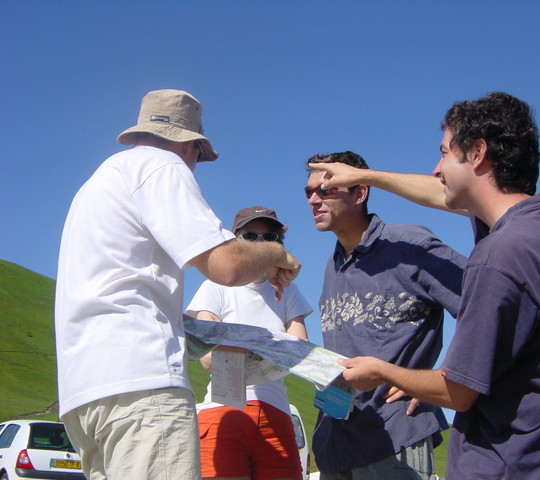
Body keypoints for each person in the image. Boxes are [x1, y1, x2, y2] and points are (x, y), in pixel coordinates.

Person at [315, 92, 540, 479]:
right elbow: (447, 194)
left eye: (443, 153)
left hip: (513, 464)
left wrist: (388, 372)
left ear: (477, 153)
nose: (436, 169)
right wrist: (365, 176)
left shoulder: (497, 259)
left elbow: (458, 391)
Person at [54, 89, 301, 480]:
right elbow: (228, 266)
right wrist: (276, 254)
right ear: (190, 147)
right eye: (199, 158)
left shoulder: (99, 181)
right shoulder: (162, 167)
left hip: (84, 393)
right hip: (143, 385)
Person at [305, 151, 467, 480]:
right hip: (336, 444)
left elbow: (487, 305)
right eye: (308, 192)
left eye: (324, 190)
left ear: (360, 192)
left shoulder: (410, 245)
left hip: (395, 438)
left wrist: (442, 378)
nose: (312, 200)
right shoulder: (332, 264)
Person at [185, 206, 312, 480]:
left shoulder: (289, 293)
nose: (260, 243)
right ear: (235, 241)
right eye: (250, 236)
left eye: (269, 237)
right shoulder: (215, 287)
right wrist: (266, 347)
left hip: (275, 413)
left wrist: (239, 344)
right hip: (221, 412)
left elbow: (301, 352)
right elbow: (206, 356)